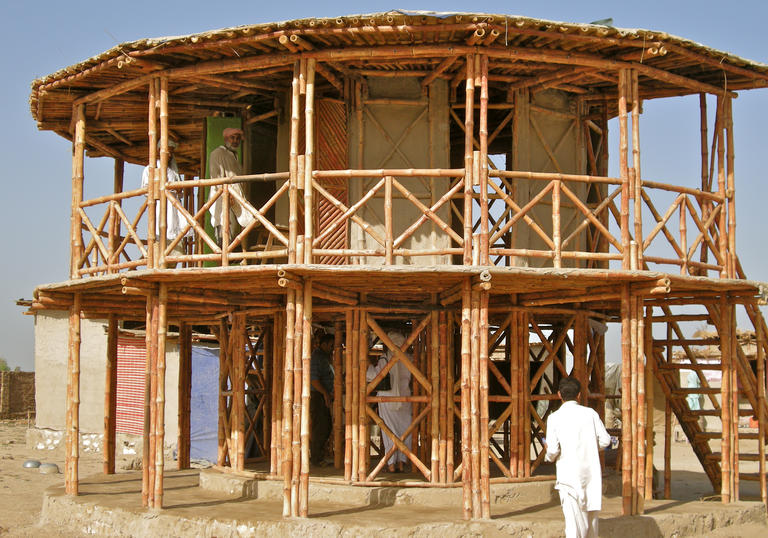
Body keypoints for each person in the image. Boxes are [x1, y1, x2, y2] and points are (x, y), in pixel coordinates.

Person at [545, 377, 611, 538]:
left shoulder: (554, 418)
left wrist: (548, 453)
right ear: (579, 395)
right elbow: (606, 441)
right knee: (591, 527)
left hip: (569, 478)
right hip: (591, 477)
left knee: (574, 527)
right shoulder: (590, 414)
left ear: (559, 395)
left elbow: (552, 451)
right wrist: (590, 448)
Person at [366, 331, 412, 473]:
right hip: (405, 398)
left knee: (389, 431)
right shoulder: (409, 358)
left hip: (387, 398)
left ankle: (391, 464)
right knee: (405, 429)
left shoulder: (385, 358)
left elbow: (373, 376)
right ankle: (401, 463)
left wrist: (367, 363)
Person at [141, 139, 189, 266]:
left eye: (170, 153)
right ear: (158, 151)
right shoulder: (150, 169)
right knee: (159, 241)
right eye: (166, 152)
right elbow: (146, 190)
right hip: (158, 210)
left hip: (173, 211)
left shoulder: (173, 171)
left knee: (175, 248)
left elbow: (179, 192)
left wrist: (176, 188)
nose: (169, 155)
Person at [208, 127, 255, 247]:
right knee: (224, 233)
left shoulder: (234, 155)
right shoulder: (217, 153)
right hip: (223, 197)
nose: (235, 141)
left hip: (235, 197)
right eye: (232, 138)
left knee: (234, 233)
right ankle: (222, 263)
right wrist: (225, 195)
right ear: (225, 139)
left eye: (237, 138)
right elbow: (216, 177)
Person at [310, 333, 335, 466]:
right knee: (321, 427)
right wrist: (325, 394)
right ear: (324, 344)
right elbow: (314, 380)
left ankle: (319, 456)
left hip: (324, 395)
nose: (332, 348)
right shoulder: (316, 357)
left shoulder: (325, 357)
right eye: (331, 345)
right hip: (317, 396)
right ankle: (316, 458)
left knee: (326, 426)